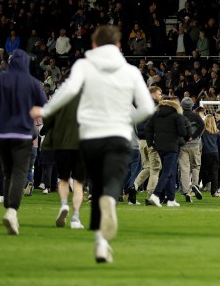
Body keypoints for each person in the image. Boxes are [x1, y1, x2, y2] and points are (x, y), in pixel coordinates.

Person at [32, 25, 156, 263]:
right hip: (118, 134)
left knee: (96, 185)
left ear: (95, 45)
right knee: (111, 184)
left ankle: (100, 244)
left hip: (90, 135)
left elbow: (66, 93)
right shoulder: (130, 71)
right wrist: (123, 119)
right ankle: (110, 204)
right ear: (119, 46)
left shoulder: (83, 66)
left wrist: (45, 109)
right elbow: (147, 108)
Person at [0, 50, 47, 236]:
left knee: (8, 172)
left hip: (2, 133)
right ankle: (12, 210)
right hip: (23, 134)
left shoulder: (0, 79)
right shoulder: (34, 83)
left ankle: (8, 206)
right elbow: (42, 107)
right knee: (20, 172)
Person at [39, 92, 85, 229]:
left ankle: (64, 204)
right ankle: (75, 218)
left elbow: (46, 120)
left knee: (63, 179)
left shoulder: (59, 98)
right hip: (82, 144)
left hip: (62, 144)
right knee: (78, 183)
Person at [146, 97, 187, 208]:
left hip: (159, 147)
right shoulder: (177, 116)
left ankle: (171, 199)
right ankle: (156, 195)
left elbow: (147, 128)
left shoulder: (156, 115)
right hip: (172, 146)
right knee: (167, 172)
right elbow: (183, 132)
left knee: (171, 172)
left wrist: (151, 144)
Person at [131, 86, 163, 203]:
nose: (161, 97)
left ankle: (133, 186)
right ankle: (151, 195)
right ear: (153, 94)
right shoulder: (155, 107)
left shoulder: (140, 106)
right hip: (151, 142)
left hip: (141, 141)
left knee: (147, 167)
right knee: (155, 168)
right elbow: (155, 125)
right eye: (159, 94)